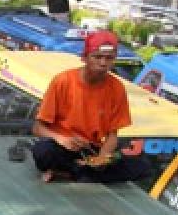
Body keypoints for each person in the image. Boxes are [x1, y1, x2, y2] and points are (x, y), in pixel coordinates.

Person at [30, 30, 151, 184]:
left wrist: (102, 157)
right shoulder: (63, 81)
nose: (103, 63)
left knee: (142, 167)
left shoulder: (117, 88)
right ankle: (81, 174)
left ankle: (73, 173)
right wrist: (62, 139)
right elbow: (37, 128)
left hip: (91, 151)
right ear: (84, 57)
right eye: (97, 57)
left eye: (109, 58)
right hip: (62, 147)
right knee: (43, 152)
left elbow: (112, 135)